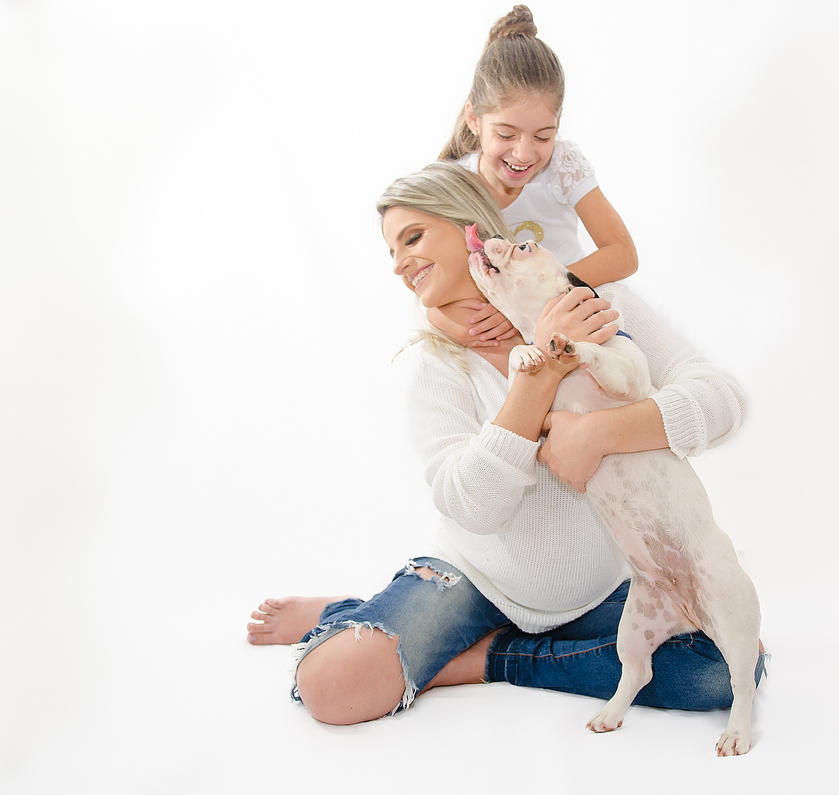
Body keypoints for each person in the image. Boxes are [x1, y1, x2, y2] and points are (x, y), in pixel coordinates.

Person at [246, 162, 764, 726]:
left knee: (720, 670)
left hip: (597, 594)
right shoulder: (437, 362)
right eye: (391, 251)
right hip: (477, 583)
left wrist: (598, 434)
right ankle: (355, 614)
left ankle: (482, 658)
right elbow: (472, 506)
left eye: (412, 238)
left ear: (468, 226)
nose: (397, 264)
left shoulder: (587, 300)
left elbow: (723, 399)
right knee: (333, 685)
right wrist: (541, 373)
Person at [433, 5, 637, 349]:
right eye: (506, 134)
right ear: (474, 119)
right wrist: (511, 310)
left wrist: (543, 298)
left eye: (543, 136)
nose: (525, 153)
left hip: (577, 302)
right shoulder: (453, 186)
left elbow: (622, 253)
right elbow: (434, 289)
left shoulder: (562, 165)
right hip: (514, 331)